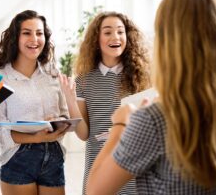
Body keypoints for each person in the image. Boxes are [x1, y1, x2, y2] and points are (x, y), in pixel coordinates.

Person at [86, 0, 216, 194]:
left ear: (167, 43)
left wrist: (121, 124)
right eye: (108, 32)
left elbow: (95, 190)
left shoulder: (154, 120)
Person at [59, 11, 151, 194]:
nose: (115, 37)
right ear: (97, 39)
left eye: (120, 31)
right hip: (98, 167)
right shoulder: (83, 80)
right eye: (108, 32)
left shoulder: (142, 78)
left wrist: (121, 130)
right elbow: (84, 133)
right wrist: (70, 99)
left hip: (134, 169)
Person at [0, 10, 70, 195]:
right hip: (18, 158)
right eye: (27, 33)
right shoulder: (0, 78)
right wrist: (37, 137)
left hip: (54, 155)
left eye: (39, 33)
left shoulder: (52, 73)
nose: (34, 39)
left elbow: (65, 114)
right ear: (15, 37)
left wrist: (59, 122)